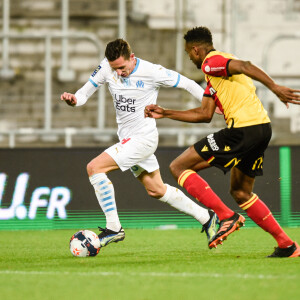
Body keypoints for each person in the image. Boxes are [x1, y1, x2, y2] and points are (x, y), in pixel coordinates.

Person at [145, 26, 300, 258]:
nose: (190, 58)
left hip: (243, 129)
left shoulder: (212, 62)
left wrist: (275, 88)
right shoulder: (215, 76)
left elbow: (246, 66)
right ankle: (287, 245)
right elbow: (204, 115)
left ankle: (226, 216)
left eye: (189, 54)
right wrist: (166, 113)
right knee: (240, 192)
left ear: (196, 50)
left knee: (178, 167)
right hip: (261, 129)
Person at [61, 38, 219, 248]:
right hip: (127, 139)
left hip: (143, 139)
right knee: (156, 189)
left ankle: (114, 228)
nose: (118, 73)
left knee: (95, 168)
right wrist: (74, 99)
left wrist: (211, 103)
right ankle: (207, 217)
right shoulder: (107, 67)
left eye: (122, 68)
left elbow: (188, 83)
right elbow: (85, 93)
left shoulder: (152, 71)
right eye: (114, 68)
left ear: (132, 58)